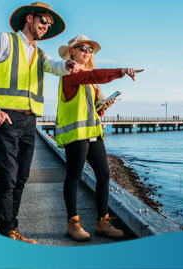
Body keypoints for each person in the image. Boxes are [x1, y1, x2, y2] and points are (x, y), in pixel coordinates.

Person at [0, 2, 79, 244]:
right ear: (30, 18)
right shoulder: (5, 40)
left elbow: (55, 66)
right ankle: (7, 229)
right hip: (7, 118)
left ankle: (14, 227)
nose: (45, 27)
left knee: (21, 176)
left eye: (49, 25)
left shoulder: (40, 54)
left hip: (30, 120)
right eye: (43, 21)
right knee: (8, 176)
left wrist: (67, 66)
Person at [56, 35, 143, 241]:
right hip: (76, 135)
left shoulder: (91, 83)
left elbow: (93, 109)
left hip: (93, 133)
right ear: (72, 52)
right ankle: (73, 223)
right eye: (83, 48)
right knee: (73, 177)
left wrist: (103, 107)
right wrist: (121, 71)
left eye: (90, 50)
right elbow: (93, 76)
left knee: (104, 174)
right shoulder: (70, 74)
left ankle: (102, 222)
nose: (87, 52)